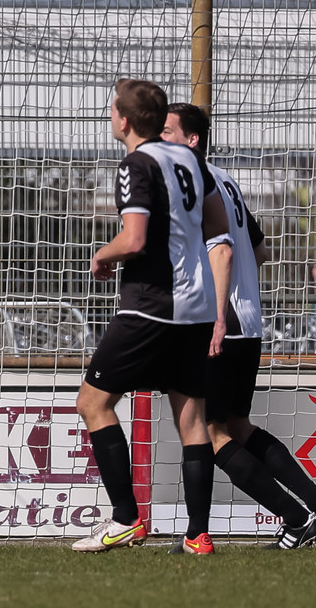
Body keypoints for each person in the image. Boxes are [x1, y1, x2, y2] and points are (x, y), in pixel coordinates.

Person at [164, 102, 316, 549]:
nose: (159, 138)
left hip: (217, 324)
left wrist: (213, 306)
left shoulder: (193, 181)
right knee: (238, 426)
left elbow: (222, 252)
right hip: (248, 322)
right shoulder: (225, 179)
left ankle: (295, 519)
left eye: (167, 131)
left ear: (192, 140)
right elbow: (261, 251)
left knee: (211, 433)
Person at [72, 79, 232, 555]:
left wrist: (101, 255)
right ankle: (197, 535)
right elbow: (217, 224)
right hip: (196, 306)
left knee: (93, 403)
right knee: (192, 419)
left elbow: (135, 238)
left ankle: (125, 519)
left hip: (151, 306)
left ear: (123, 120)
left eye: (112, 110)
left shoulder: (135, 164)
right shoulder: (189, 159)